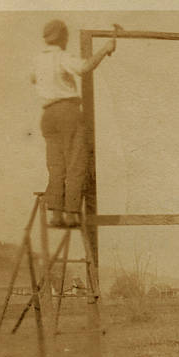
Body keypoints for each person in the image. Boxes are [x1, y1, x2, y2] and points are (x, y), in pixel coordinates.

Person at [31, 19, 116, 227]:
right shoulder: (62, 57)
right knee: (76, 163)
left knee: (56, 166)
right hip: (67, 112)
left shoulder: (38, 59)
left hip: (48, 115)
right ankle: (71, 214)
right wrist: (105, 49)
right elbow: (85, 67)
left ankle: (56, 214)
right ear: (63, 37)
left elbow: (33, 78)